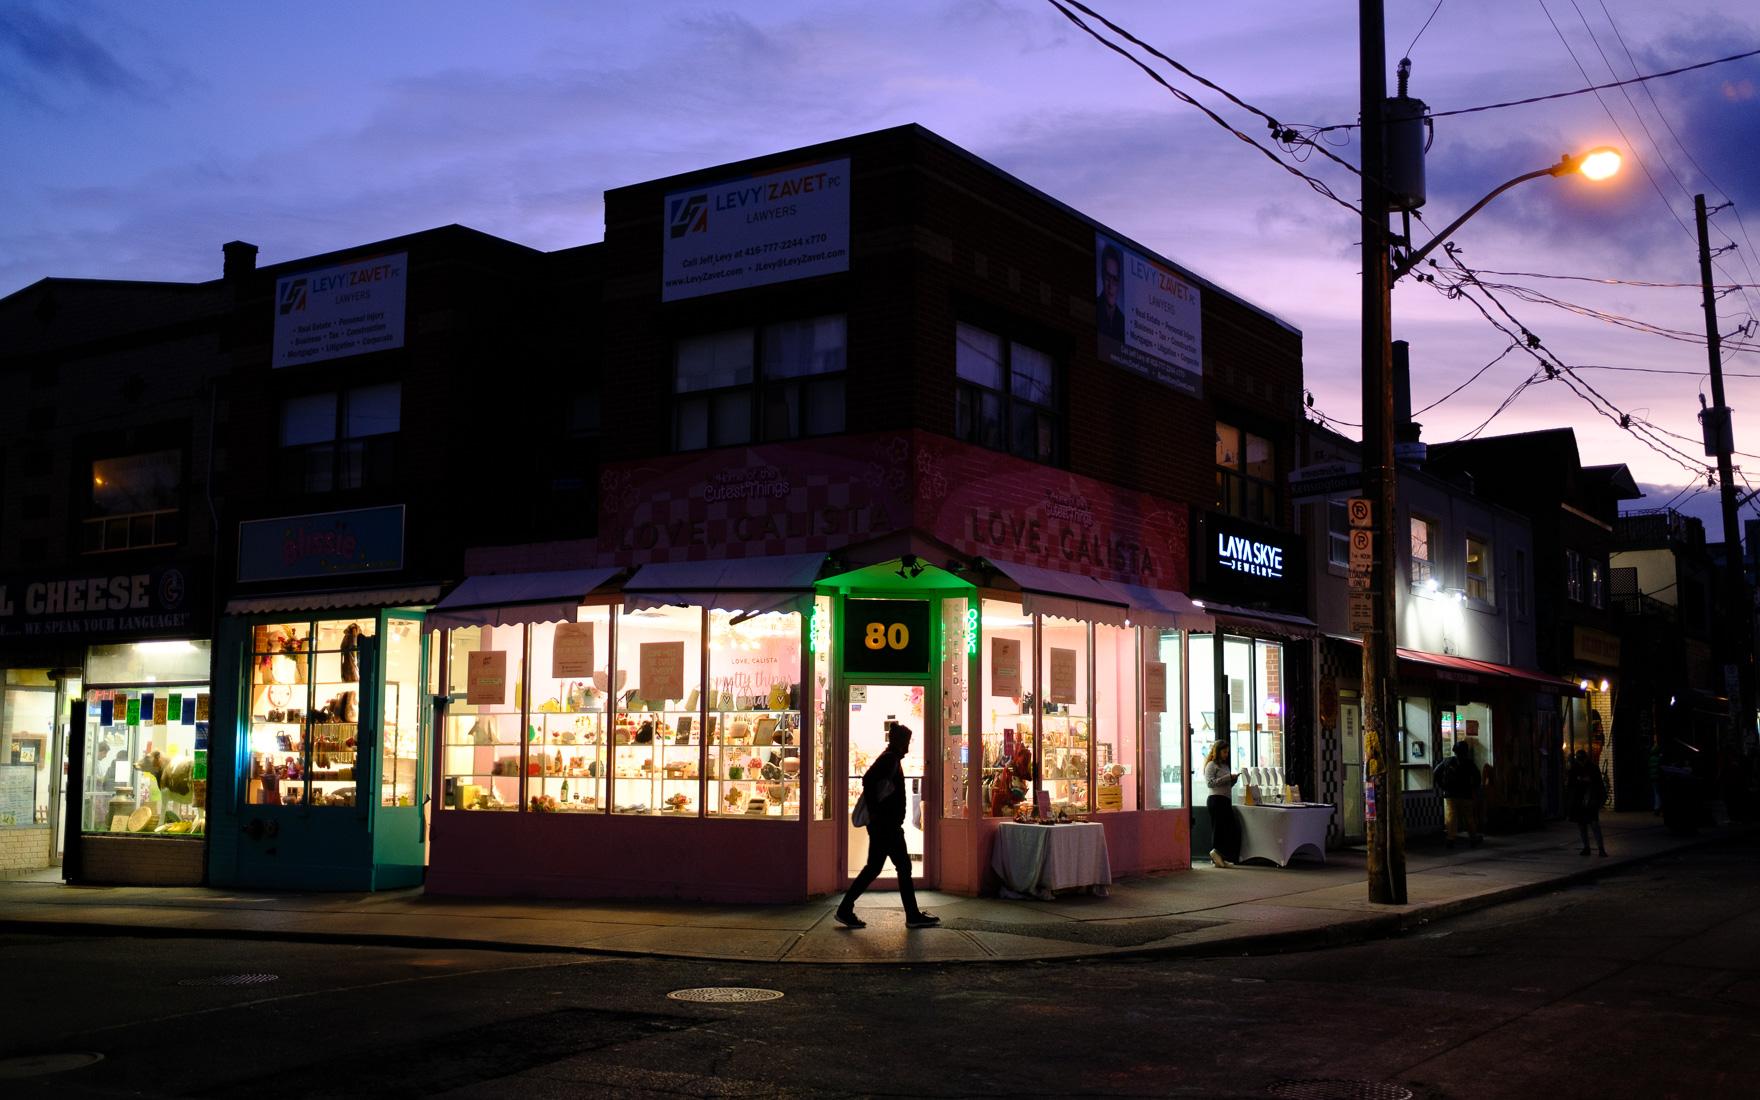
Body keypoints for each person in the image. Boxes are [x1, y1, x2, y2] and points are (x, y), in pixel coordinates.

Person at [836, 723, 938, 929]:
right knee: (902, 867)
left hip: (884, 825)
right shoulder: (890, 759)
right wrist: (876, 813)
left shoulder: (890, 759)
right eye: (906, 742)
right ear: (899, 742)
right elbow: (869, 780)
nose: (908, 747)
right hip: (887, 826)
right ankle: (912, 915)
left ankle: (845, 909)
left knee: (876, 868)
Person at [1434, 739, 1483, 848]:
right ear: (1466, 751)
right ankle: (1473, 838)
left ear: (1454, 751)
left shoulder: (1447, 761)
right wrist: (1474, 789)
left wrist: (1443, 786)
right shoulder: (1469, 763)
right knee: (1469, 816)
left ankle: (1450, 839)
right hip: (1466, 794)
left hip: (1450, 794)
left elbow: (1436, 772)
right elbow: (1477, 777)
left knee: (1451, 816)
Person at [1202, 740, 1240, 868]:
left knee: (1227, 828)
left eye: (1227, 752)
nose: (1226, 755)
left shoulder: (1224, 766)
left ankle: (1221, 857)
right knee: (1218, 828)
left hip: (1225, 799)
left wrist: (1233, 781)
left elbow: (1226, 784)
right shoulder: (1211, 765)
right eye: (1224, 752)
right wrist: (1228, 777)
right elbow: (1210, 783)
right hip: (1216, 800)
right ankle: (1215, 852)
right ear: (1217, 752)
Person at [1565, 748, 1607, 856]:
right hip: (1583, 800)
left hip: (1587, 800)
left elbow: (1570, 784)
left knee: (1590, 825)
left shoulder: (1582, 768)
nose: (1581, 762)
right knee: (1588, 825)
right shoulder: (1584, 768)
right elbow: (1570, 784)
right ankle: (1594, 848)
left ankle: (1595, 848)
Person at [1096, 242, 1126, 342]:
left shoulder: (1123, 321)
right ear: (1102, 275)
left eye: (1115, 279)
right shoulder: (1095, 308)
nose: (1111, 286)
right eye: (1108, 278)